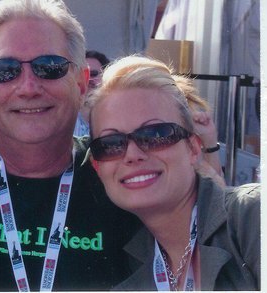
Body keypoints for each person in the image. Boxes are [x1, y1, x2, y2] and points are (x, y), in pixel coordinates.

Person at [0, 0, 140, 291]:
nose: (28, 88)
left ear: (81, 84)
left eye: (49, 67)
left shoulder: (119, 169)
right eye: (5, 70)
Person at [88, 55, 260, 290]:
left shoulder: (253, 217)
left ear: (193, 147)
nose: (132, 154)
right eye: (111, 144)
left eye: (155, 135)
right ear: (98, 167)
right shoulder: (124, 274)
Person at [73, 50, 109, 137]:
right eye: (81, 75)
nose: (88, 79)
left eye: (93, 74)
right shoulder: (64, 119)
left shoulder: (116, 117)